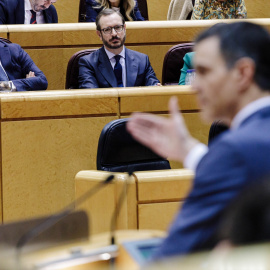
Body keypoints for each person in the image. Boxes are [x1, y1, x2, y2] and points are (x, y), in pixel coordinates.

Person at [127, 22, 270, 259]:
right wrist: (189, 151)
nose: (194, 87)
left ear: (243, 73)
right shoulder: (245, 149)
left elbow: (171, 260)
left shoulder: (233, 152)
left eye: (203, 72)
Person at [79, 9, 160, 89]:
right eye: (107, 30)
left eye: (118, 27)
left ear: (124, 28)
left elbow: (153, 88)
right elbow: (91, 97)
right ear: (99, 34)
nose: (114, 34)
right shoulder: (88, 63)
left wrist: (156, 88)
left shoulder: (142, 60)